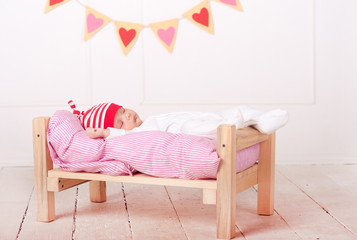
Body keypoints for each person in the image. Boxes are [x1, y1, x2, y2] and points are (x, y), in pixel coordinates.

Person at [68, 100, 289, 139]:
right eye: (120, 122)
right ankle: (232, 125)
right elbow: (120, 139)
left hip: (207, 117)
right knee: (191, 127)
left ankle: (262, 121)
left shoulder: (149, 119)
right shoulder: (136, 135)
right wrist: (106, 133)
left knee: (238, 108)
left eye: (123, 110)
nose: (127, 116)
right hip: (187, 129)